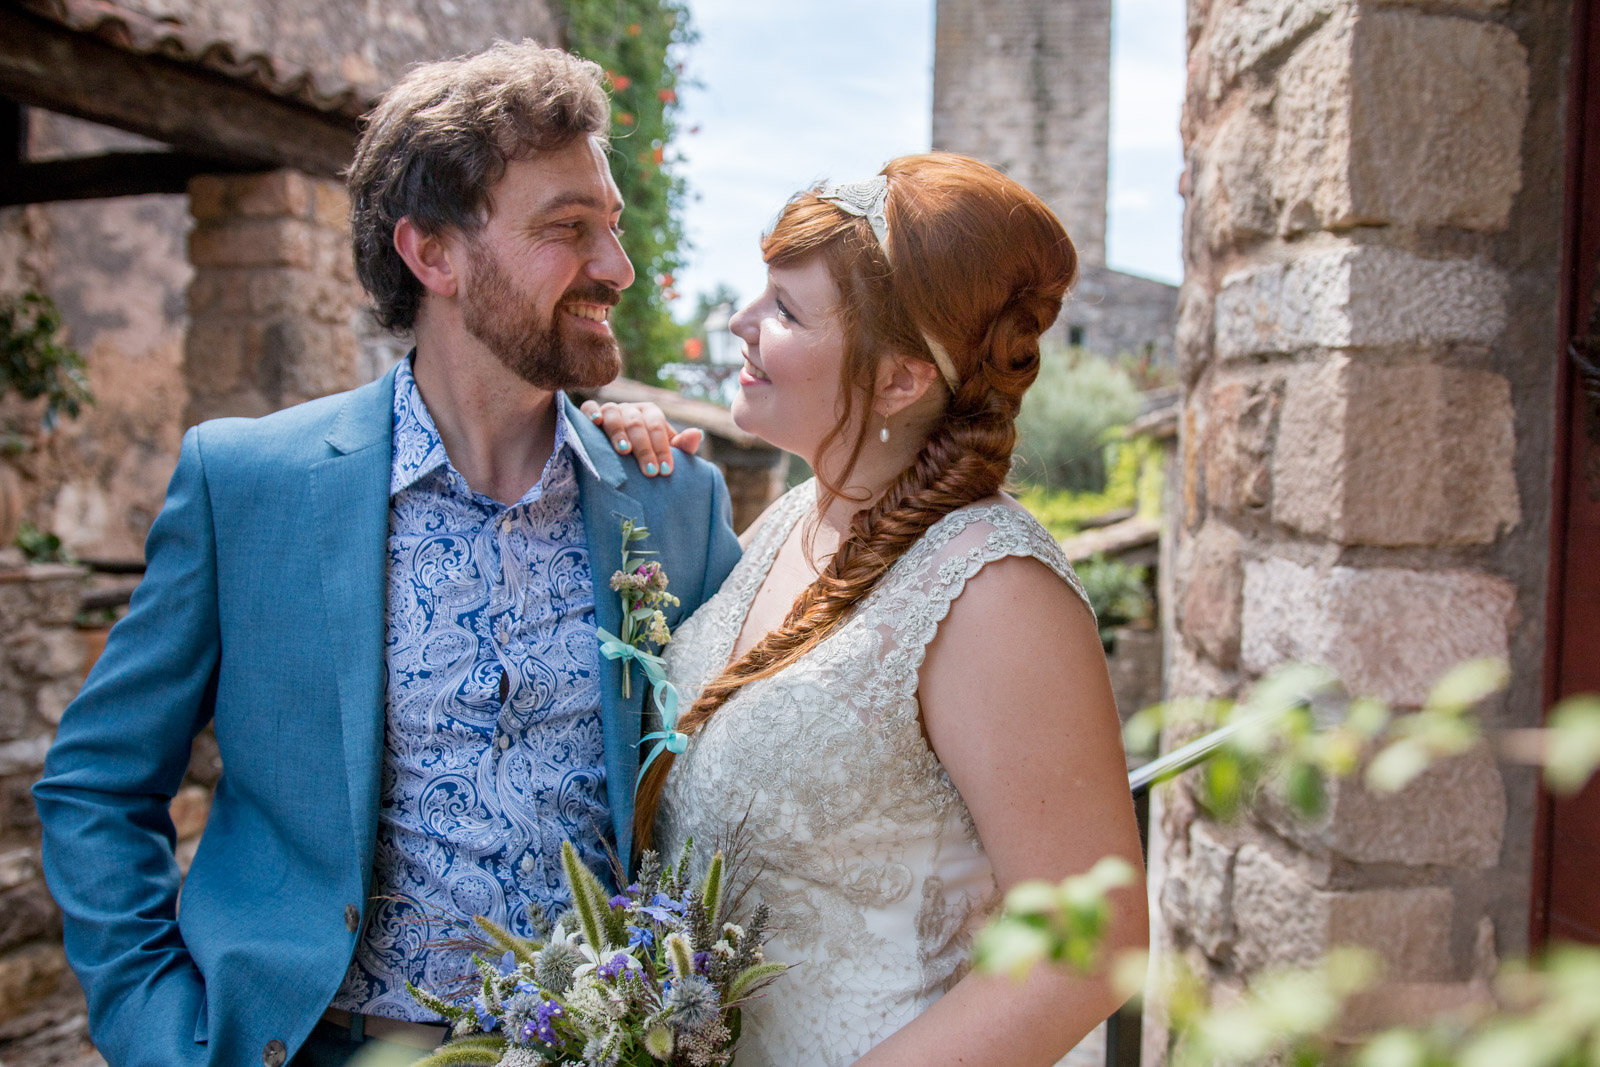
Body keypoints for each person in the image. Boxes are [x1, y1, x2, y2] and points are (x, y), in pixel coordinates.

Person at [31, 42, 740, 1067]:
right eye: (567, 230)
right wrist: (158, 1034)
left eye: (613, 228)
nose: (616, 269)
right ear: (433, 255)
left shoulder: (675, 504)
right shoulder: (248, 485)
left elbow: (726, 793)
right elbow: (97, 783)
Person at [625, 154, 1149, 1067]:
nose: (741, 324)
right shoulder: (792, 517)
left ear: (902, 379)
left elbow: (1091, 946)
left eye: (786, 311)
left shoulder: (996, 590)